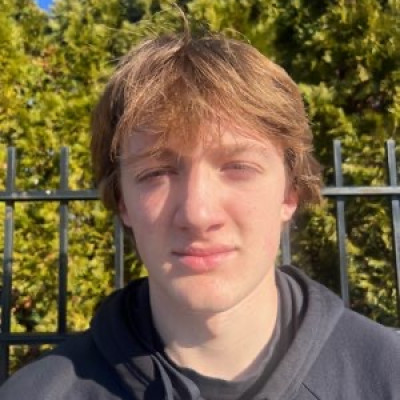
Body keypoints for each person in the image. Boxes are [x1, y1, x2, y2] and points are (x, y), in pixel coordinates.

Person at [1, 27, 399, 400]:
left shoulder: (387, 376)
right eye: (156, 172)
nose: (197, 213)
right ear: (123, 201)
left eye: (238, 167)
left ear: (290, 193)